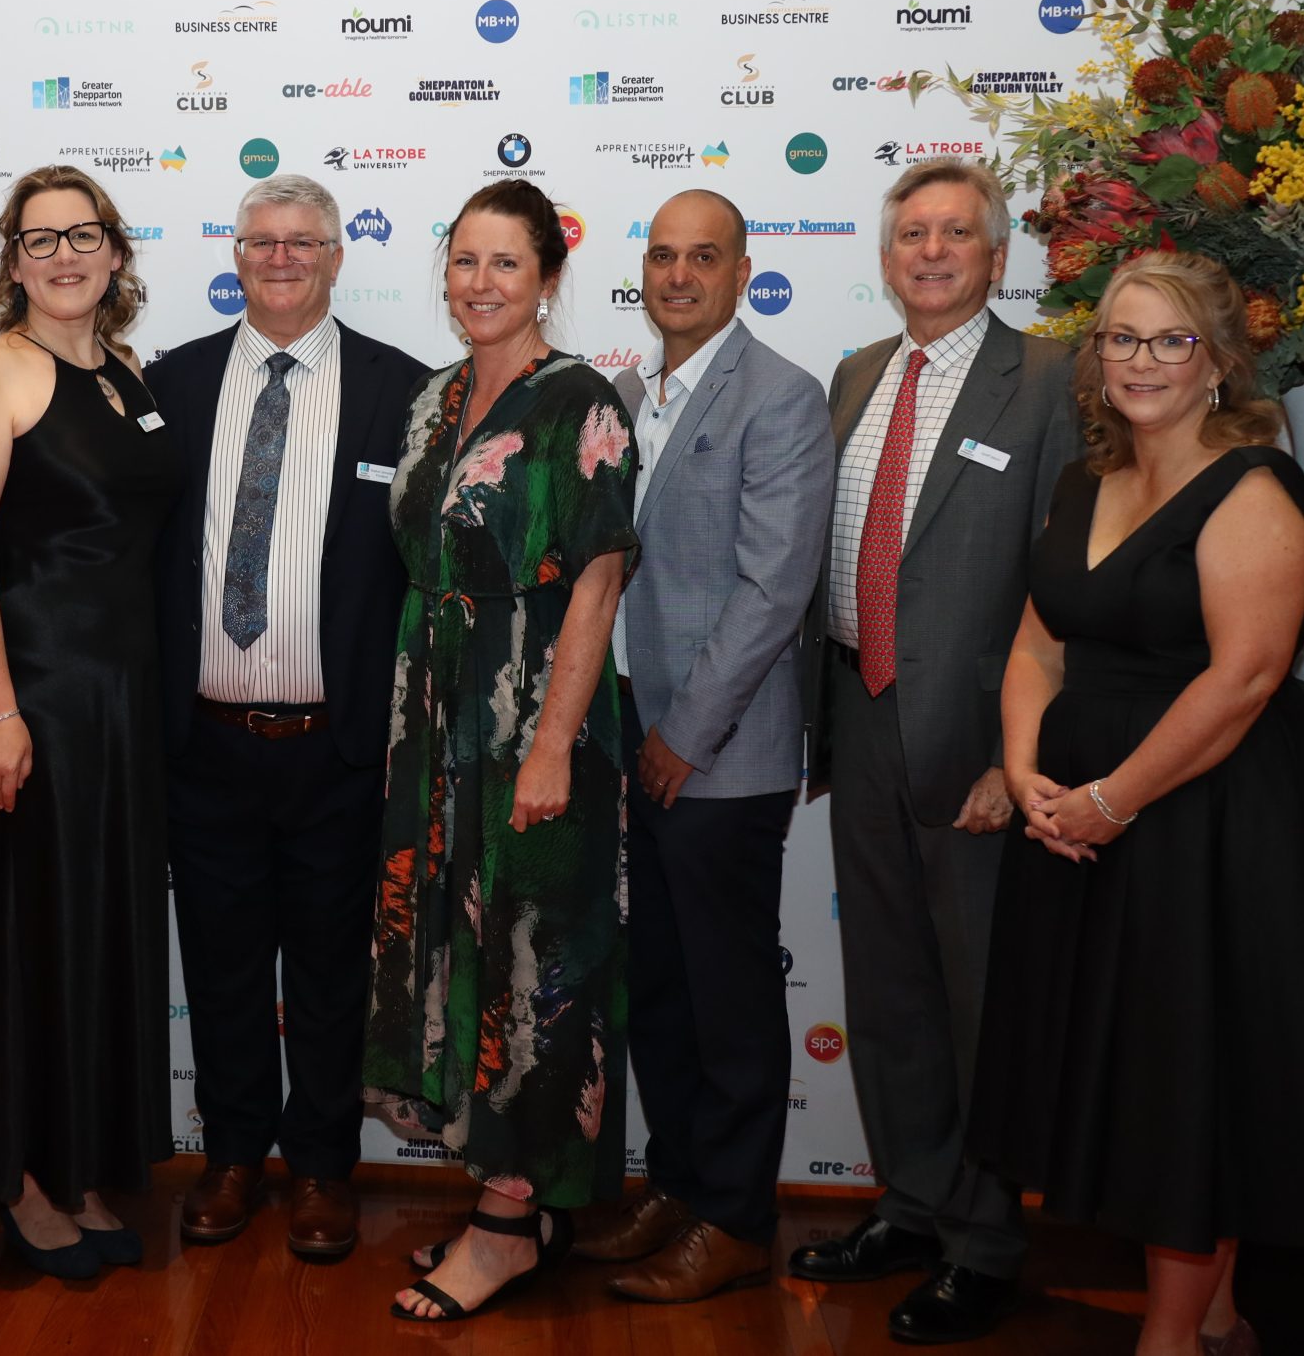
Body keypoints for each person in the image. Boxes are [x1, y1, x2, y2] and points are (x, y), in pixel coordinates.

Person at [970, 253, 1304, 1356]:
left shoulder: (1253, 488)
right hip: (1083, 819)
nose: (1141, 361)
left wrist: (1111, 801)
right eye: (1121, 338)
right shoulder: (1083, 482)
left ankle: (1169, 1339)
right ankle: (1216, 1318)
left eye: (1170, 340)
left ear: (1217, 361)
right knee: (1140, 1082)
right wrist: (1025, 772)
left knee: (1188, 1086)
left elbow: (1243, 680)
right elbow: (1037, 643)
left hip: (1205, 822)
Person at [794, 158, 1077, 1344]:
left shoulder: (1052, 379)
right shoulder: (858, 373)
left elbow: (1065, 584)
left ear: (997, 257)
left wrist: (1017, 756)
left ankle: (984, 1242)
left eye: (956, 233)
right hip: (857, 713)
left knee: (974, 1001)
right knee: (890, 990)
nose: (931, 251)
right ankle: (911, 1205)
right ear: (885, 255)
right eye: (911, 233)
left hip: (977, 739)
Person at [366, 178, 640, 1322]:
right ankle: (509, 1202)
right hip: (436, 719)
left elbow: (598, 582)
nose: (480, 284)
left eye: (505, 264)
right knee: (455, 950)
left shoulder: (582, 400)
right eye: (463, 262)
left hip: (533, 715)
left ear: (548, 277)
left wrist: (553, 746)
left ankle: (506, 1228)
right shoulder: (433, 398)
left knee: (534, 961)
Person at [149, 173, 427, 1260]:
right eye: (261, 241)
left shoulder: (405, 390)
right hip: (205, 742)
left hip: (338, 747)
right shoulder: (169, 384)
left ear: (335, 257)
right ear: (236, 255)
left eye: (302, 242)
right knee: (219, 968)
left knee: (328, 974)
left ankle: (319, 1166)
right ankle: (230, 1156)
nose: (280, 258)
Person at [582, 190, 832, 1304]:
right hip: (633, 738)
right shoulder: (633, 394)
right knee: (661, 985)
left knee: (727, 996)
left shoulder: (780, 395)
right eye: (662, 256)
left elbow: (773, 588)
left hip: (719, 752)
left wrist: (684, 734)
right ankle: (678, 1186)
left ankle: (734, 1218)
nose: (678, 275)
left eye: (703, 256)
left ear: (741, 272)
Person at [0, 163, 181, 1279]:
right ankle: (22, 1183)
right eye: (40, 240)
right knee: (30, 937)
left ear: (116, 252)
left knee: (97, 939)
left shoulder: (127, 374)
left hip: (123, 706)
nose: (65, 255)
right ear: (14, 261)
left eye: (83, 235)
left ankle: (77, 1164)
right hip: (33, 699)